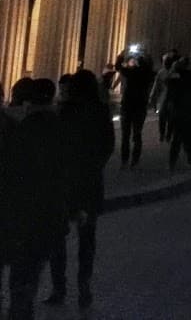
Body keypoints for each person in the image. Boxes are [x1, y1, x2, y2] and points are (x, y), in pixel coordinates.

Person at [2, 79, 68, 320]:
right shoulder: (57, 127)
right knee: (24, 287)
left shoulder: (18, 130)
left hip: (17, 219)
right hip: (38, 221)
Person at [48, 70, 112, 311]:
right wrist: (93, 167)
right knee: (87, 240)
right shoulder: (100, 111)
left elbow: (55, 145)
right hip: (90, 183)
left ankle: (59, 287)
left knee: (57, 237)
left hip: (65, 183)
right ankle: (84, 287)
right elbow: (107, 145)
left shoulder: (64, 111)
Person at [114, 51, 155, 168]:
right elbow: (151, 67)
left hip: (128, 106)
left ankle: (124, 161)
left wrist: (121, 55)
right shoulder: (147, 74)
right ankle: (134, 160)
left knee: (125, 135)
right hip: (140, 107)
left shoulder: (131, 73)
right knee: (137, 134)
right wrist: (146, 56)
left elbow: (118, 67)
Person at [164, 56, 191, 171]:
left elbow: (168, 84)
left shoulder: (176, 76)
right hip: (189, 110)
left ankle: (172, 163)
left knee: (177, 139)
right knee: (188, 138)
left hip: (179, 110)